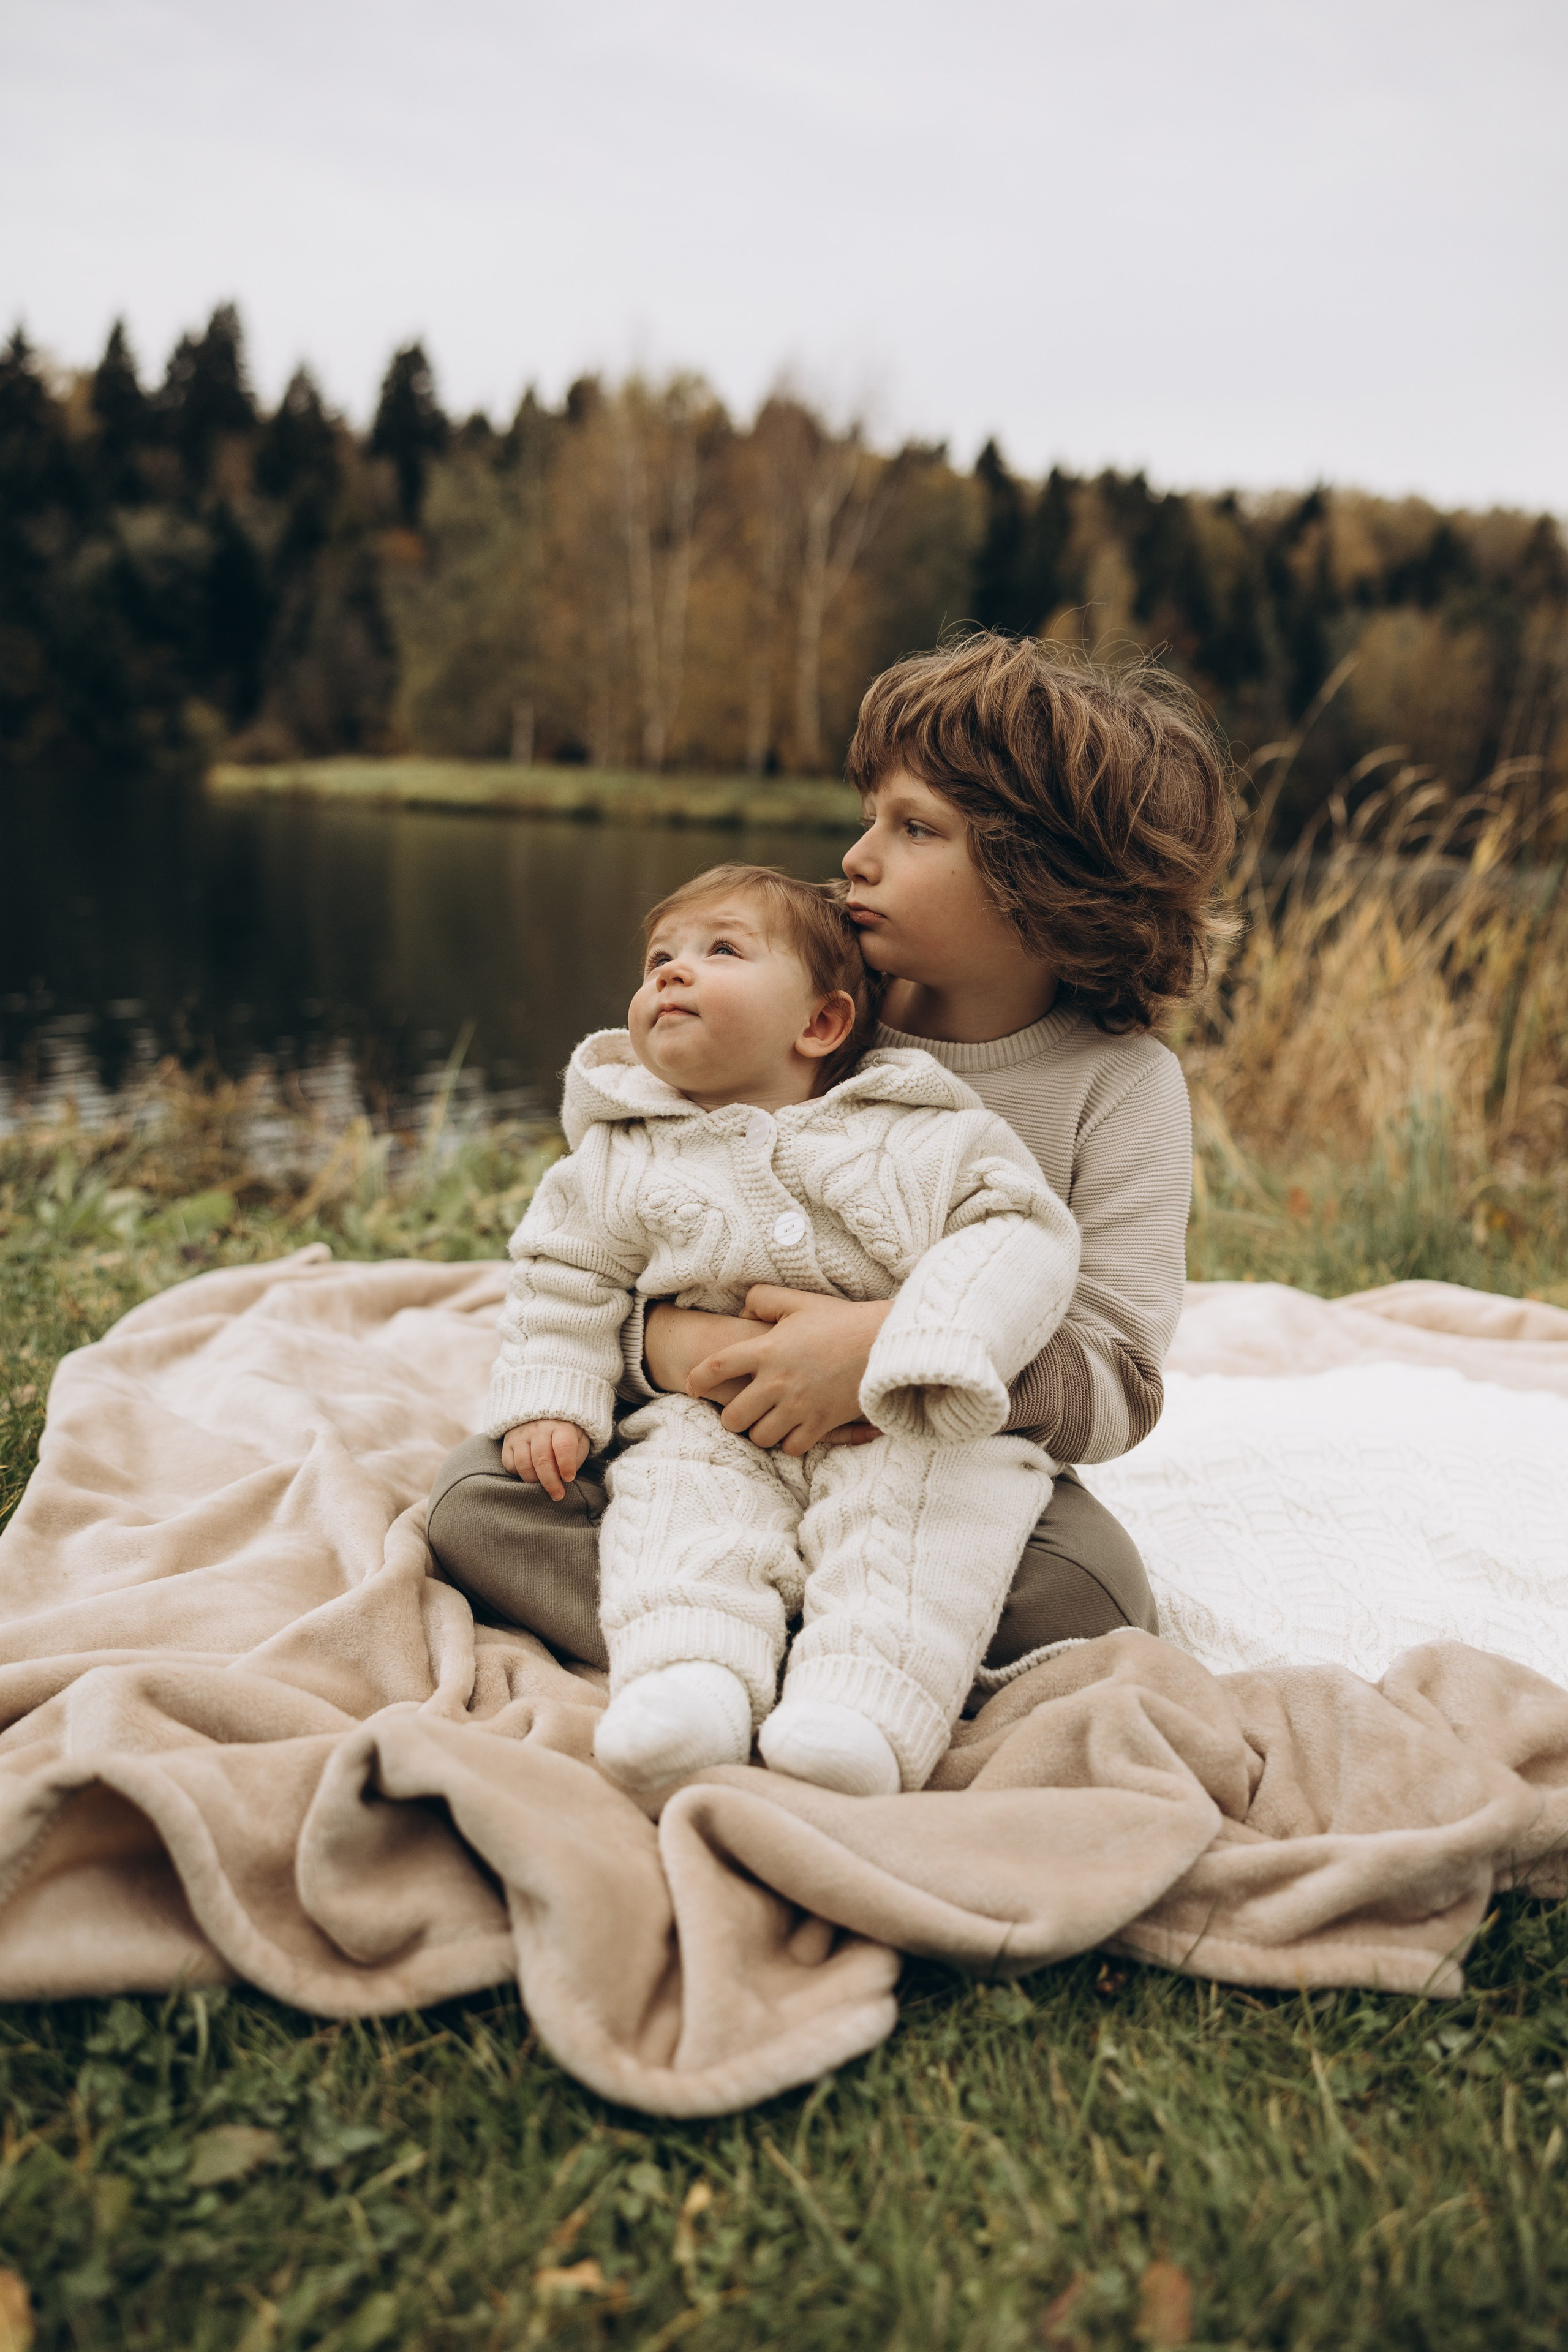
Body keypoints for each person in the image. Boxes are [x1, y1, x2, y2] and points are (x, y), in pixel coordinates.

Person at [429, 633, 1236, 1724]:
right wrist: (674, 1351)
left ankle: (784, 1638)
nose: (857, 857)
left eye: (914, 828)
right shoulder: (804, 988)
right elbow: (627, 1211)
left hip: (942, 1474)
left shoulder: (1122, 1086)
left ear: (1044, 877)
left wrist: (881, 1358)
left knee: (1090, 1596)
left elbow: (1118, 1383)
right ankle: (782, 1642)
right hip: (711, 1437)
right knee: (476, 1504)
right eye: (870, 816)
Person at [483, 864, 1082, 1798]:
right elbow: (563, 1275)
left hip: (898, 1422)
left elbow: (1020, 1233)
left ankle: (860, 1709)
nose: (672, 971)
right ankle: (689, 1684)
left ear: (822, 1024)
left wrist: (930, 1345)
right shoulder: (619, 1154)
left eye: (721, 950)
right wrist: (551, 1398)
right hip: (715, 1422)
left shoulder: (921, 1134)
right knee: (672, 1507)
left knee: (923, 1527)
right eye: (658, 958)